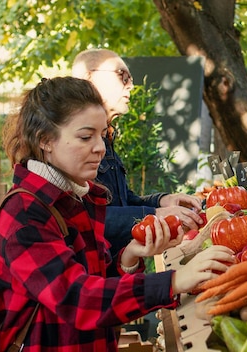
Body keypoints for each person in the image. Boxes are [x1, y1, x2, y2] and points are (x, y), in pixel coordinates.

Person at [0, 76, 235, 351]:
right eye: (85, 137)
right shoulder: (23, 214)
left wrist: (130, 255)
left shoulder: (79, 196)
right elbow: (78, 300)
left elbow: (97, 278)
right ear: (45, 141)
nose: (100, 148)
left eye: (103, 134)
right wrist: (176, 280)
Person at [71, 48, 205, 260]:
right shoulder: (71, 150)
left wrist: (163, 201)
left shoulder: (107, 138)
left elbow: (123, 202)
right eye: (122, 75)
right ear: (90, 78)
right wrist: (154, 215)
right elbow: (86, 218)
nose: (131, 85)